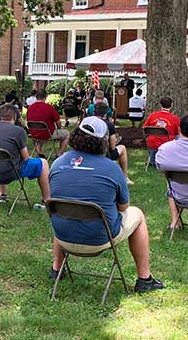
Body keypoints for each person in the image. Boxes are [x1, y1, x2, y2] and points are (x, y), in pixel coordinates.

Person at [48, 116, 164, 292]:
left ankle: (56, 269)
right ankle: (144, 278)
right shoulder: (111, 168)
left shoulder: (57, 163)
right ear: (103, 141)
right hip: (100, 237)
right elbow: (124, 207)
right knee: (138, 214)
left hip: (63, 235)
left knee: (66, 209)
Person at [0, 104, 51, 205]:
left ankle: (2, 194)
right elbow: (26, 158)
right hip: (9, 173)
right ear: (15, 117)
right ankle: (47, 200)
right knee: (43, 163)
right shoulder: (19, 131)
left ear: (1, 116)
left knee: (3, 157)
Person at [92, 105, 132, 185]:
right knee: (122, 148)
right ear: (105, 114)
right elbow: (113, 147)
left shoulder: (88, 123)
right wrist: (116, 140)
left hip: (88, 151)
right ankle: (125, 177)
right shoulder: (109, 125)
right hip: (105, 154)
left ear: (93, 112)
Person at [25, 89, 69, 157]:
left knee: (40, 132)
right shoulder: (49, 107)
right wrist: (59, 129)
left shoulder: (30, 108)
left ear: (36, 97)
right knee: (66, 134)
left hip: (34, 134)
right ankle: (59, 154)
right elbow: (58, 121)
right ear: (45, 97)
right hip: (48, 134)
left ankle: (39, 152)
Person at [142, 97, 180, 165]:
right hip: (167, 143)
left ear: (160, 105)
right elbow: (177, 133)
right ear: (171, 105)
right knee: (178, 137)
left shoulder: (152, 115)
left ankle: (152, 161)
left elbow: (145, 128)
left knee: (153, 139)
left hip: (152, 142)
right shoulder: (175, 118)